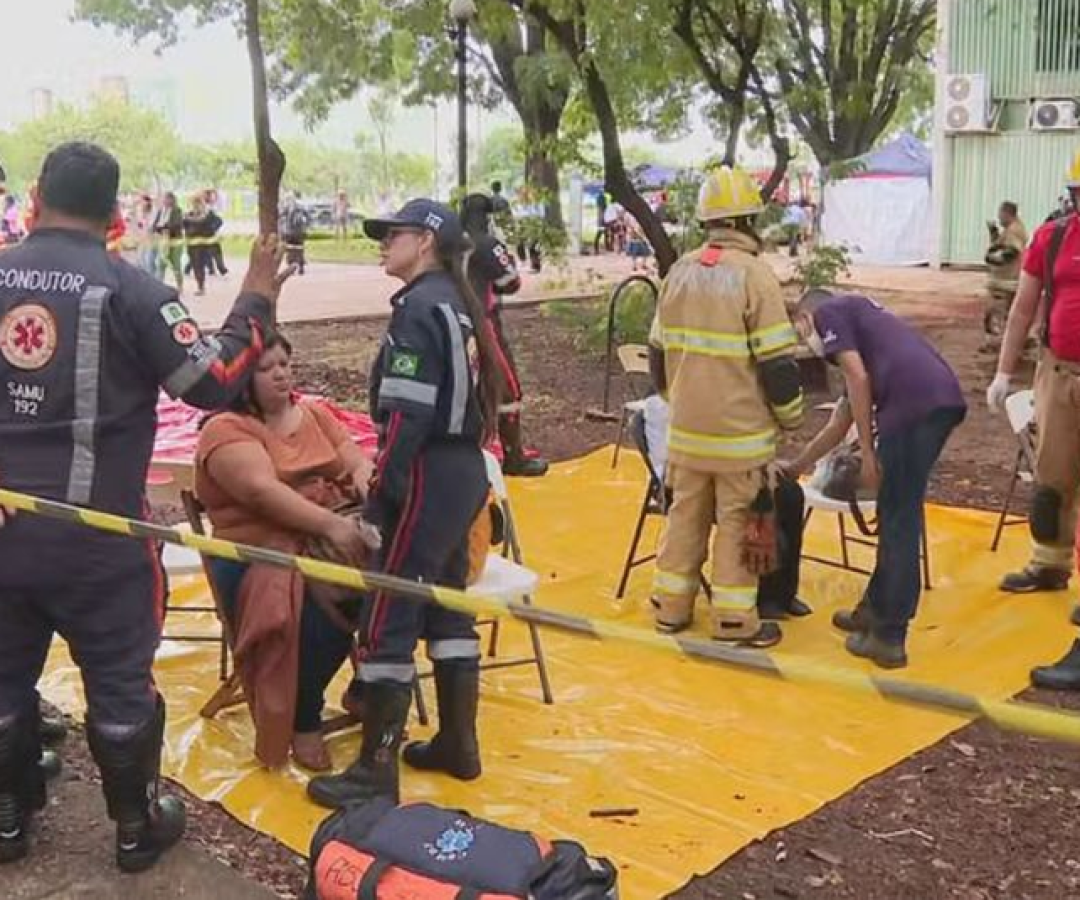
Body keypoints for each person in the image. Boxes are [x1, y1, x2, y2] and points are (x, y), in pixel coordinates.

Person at [0, 141, 290, 871]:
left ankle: (6, 817)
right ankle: (135, 828)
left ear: (35, 198)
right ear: (114, 213)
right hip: (99, 540)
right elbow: (213, 382)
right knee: (120, 681)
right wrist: (256, 298)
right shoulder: (133, 291)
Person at [307, 199, 502, 809]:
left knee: (389, 613)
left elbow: (407, 415)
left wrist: (383, 491)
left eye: (394, 234)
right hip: (464, 469)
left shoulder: (418, 308)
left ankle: (375, 768)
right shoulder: (460, 303)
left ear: (426, 242)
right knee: (448, 605)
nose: (383, 242)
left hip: (426, 471)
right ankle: (459, 744)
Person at [195, 333, 375, 771]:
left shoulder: (313, 413)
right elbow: (261, 493)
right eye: (265, 368)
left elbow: (355, 460)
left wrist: (368, 487)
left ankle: (368, 685)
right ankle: (304, 715)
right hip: (258, 550)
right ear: (240, 378)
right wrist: (333, 527)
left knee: (401, 575)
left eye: (285, 364)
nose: (280, 374)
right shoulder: (225, 430)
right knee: (322, 595)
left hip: (329, 533)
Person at [647, 165, 804, 648]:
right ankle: (735, 622)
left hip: (686, 435)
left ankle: (670, 609)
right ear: (748, 221)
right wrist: (791, 417)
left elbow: (656, 352)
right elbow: (778, 365)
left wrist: (676, 401)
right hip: (740, 439)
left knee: (684, 520)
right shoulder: (755, 277)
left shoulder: (678, 273)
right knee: (738, 526)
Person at [786, 290, 966, 668]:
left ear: (804, 316)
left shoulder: (829, 312)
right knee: (895, 509)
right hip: (936, 398)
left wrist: (868, 453)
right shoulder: (863, 330)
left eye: (800, 332)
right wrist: (797, 466)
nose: (806, 341)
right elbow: (841, 421)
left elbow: (857, 376)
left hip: (913, 406)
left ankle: (888, 636)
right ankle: (873, 609)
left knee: (899, 519)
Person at [987, 150, 1080, 597]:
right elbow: (1022, 309)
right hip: (1057, 374)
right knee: (1052, 479)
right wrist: (1003, 374)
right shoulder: (1052, 238)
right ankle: (1049, 565)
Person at [642, 394, 811, 621]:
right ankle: (760, 598)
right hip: (690, 480)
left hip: (725, 467)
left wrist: (762, 463)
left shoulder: (715, 391)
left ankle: (784, 593)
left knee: (790, 493)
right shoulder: (676, 401)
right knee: (756, 504)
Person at [461, 192, 548, 477]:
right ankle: (514, 457)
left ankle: (466, 454)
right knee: (507, 388)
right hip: (484, 324)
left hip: (452, 322)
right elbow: (511, 282)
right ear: (487, 217)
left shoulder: (447, 243)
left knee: (466, 388)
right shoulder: (488, 243)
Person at [983, 201, 1028, 345]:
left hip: (1007, 281)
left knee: (996, 311)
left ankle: (999, 342)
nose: (999, 217)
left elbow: (1012, 251)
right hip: (1005, 280)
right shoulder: (1010, 229)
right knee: (1006, 312)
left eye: (1000, 214)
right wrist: (994, 233)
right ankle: (1011, 341)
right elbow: (1001, 244)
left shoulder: (1014, 230)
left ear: (1007, 214)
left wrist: (994, 258)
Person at [183, 194, 223, 296]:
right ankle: (200, 285)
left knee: (199, 264)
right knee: (196, 265)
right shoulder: (189, 215)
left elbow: (219, 222)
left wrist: (211, 230)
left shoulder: (208, 214)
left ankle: (201, 286)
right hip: (192, 244)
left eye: (198, 203)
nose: (196, 205)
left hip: (204, 245)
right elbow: (183, 226)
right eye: (194, 203)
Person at [152, 191, 184, 293]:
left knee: (176, 263)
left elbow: (177, 224)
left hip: (175, 240)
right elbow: (154, 225)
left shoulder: (177, 211)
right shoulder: (161, 211)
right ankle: (159, 286)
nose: (164, 201)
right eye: (164, 199)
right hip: (163, 240)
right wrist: (158, 228)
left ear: (172, 200)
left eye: (166, 198)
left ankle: (180, 286)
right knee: (161, 263)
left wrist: (164, 226)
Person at [280, 194, 309, 276]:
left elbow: (281, 215)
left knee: (290, 249)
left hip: (290, 231)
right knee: (300, 248)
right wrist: (306, 227)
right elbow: (308, 217)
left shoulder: (288, 206)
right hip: (300, 232)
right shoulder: (302, 206)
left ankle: (291, 267)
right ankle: (301, 266)